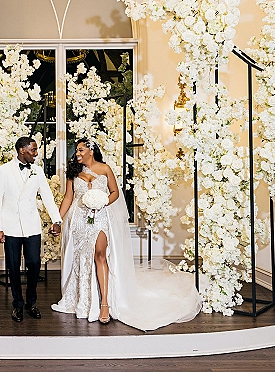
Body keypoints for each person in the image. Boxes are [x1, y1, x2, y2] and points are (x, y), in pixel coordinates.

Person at [51, 138, 202, 331]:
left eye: (81, 150)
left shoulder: (105, 169)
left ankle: (104, 303)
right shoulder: (73, 172)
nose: (77, 153)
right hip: (79, 221)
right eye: (77, 151)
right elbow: (68, 198)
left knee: (100, 254)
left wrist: (102, 202)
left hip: (100, 217)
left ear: (91, 150)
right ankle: (86, 300)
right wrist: (57, 220)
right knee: (83, 258)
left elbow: (114, 192)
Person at [0, 136, 62, 322]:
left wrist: (57, 220)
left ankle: (32, 302)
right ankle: (18, 305)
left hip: (32, 226)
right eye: (33, 150)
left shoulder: (37, 171)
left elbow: (47, 197)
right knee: (13, 268)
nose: (36, 154)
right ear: (22, 150)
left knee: (34, 264)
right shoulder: (3, 171)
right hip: (10, 227)